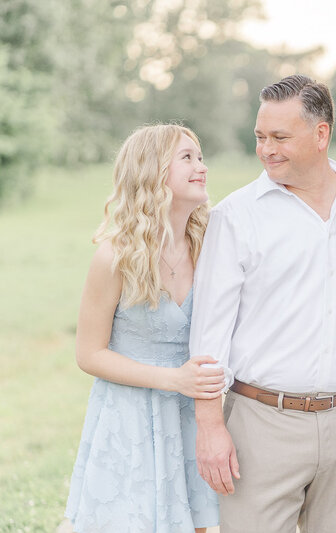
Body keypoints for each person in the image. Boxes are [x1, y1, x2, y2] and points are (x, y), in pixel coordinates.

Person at [189, 74, 336, 533]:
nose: (267, 149)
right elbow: (208, 336)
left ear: (321, 134)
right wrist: (210, 428)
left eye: (280, 137)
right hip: (261, 425)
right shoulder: (235, 216)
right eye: (261, 137)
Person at [65, 124, 222, 532]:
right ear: (151, 170)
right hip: (131, 416)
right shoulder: (116, 256)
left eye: (200, 156)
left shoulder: (212, 244)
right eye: (187, 157)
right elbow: (89, 354)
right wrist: (174, 379)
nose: (201, 166)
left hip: (193, 412)